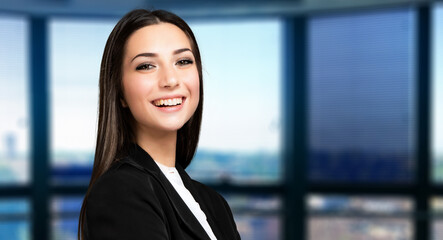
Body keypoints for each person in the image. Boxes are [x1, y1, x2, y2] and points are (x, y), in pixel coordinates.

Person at [77, 9, 241, 240]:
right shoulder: (120, 191)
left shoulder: (214, 204)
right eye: (146, 65)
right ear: (120, 92)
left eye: (183, 61)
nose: (171, 80)